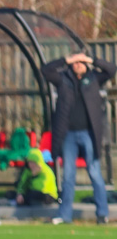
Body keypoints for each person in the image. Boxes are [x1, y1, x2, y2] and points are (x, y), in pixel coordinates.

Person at [42, 52, 116, 225]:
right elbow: (45, 70)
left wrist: (92, 59)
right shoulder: (63, 80)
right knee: (68, 176)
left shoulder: (94, 79)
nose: (78, 65)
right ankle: (65, 215)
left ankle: (102, 214)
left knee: (94, 172)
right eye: (76, 63)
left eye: (81, 63)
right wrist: (66, 60)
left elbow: (112, 69)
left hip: (89, 134)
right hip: (68, 135)